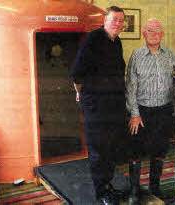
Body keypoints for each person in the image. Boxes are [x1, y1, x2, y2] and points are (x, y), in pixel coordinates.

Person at [69, 6, 126, 205]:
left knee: (110, 147)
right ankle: (101, 191)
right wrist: (79, 93)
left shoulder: (116, 42)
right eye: (114, 19)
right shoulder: (94, 39)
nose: (117, 23)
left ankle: (108, 185)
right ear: (104, 20)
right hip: (95, 105)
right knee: (98, 148)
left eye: (121, 20)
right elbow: (77, 73)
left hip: (113, 105)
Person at [125, 18, 175, 204]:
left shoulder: (172, 55)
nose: (155, 34)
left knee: (160, 150)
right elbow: (130, 87)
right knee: (136, 151)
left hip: (164, 111)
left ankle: (155, 188)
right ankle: (134, 189)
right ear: (144, 34)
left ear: (163, 34)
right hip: (141, 112)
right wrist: (134, 114)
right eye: (150, 31)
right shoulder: (136, 56)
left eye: (158, 31)